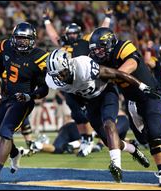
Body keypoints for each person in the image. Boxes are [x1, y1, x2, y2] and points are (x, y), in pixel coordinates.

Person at [45, 49, 157, 182]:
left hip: (105, 94)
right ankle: (134, 150)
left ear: (68, 64)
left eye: (61, 72)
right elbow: (70, 93)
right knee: (109, 141)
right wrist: (81, 106)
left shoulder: (83, 66)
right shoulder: (52, 81)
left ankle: (116, 165)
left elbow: (116, 74)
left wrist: (142, 86)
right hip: (90, 103)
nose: (60, 77)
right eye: (56, 75)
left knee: (109, 124)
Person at [89, 27, 161, 187]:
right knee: (143, 139)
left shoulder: (123, 46)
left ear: (110, 43)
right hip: (132, 102)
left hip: (150, 95)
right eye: (95, 50)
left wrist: (109, 73)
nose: (98, 53)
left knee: (155, 134)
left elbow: (131, 65)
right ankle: (132, 146)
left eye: (100, 48)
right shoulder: (98, 60)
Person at [0, 22, 49, 188]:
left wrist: (30, 95)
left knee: (5, 131)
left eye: (25, 39)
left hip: (23, 100)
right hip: (6, 97)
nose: (21, 42)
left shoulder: (39, 57)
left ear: (32, 40)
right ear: (13, 38)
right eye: (18, 38)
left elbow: (44, 88)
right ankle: (15, 153)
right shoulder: (7, 47)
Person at [42, 8, 114, 157]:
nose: (72, 36)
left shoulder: (86, 41)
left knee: (88, 113)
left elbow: (101, 32)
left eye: (74, 33)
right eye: (70, 33)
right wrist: (46, 20)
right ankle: (85, 141)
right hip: (69, 84)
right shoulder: (63, 44)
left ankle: (92, 139)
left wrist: (107, 17)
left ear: (79, 33)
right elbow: (53, 35)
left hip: (85, 79)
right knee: (77, 114)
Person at [30, 114, 130, 155]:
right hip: (79, 128)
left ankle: (38, 145)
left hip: (68, 127)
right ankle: (73, 145)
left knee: (57, 148)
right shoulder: (110, 121)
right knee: (86, 141)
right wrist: (98, 146)